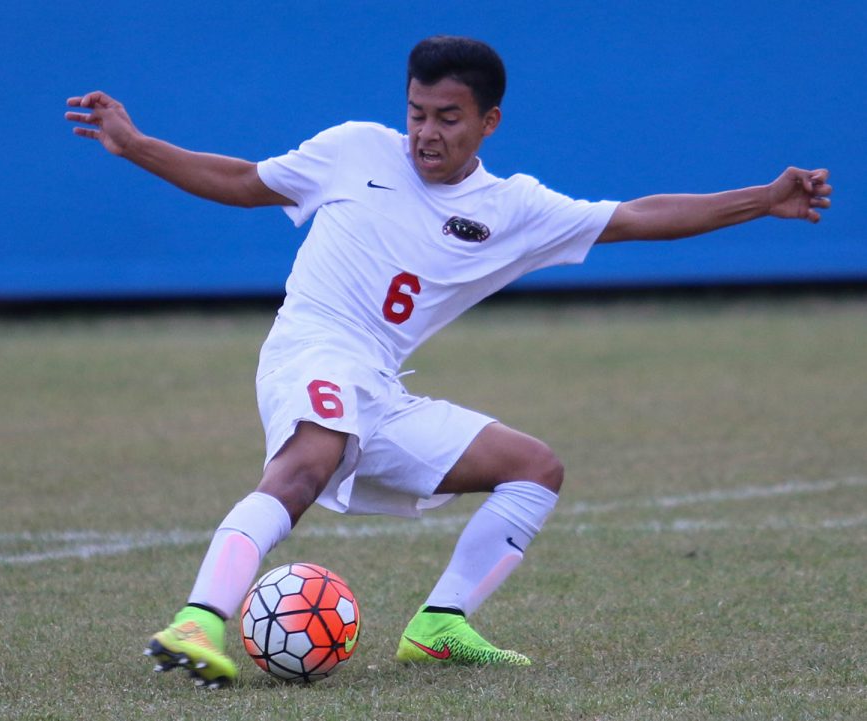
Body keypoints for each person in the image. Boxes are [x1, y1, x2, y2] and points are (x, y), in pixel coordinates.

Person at [65, 35, 832, 688]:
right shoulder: (354, 149)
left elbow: (637, 217)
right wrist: (136, 146)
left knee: (534, 468)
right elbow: (240, 181)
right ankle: (198, 620)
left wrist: (762, 199)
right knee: (308, 459)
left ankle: (441, 621)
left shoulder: (515, 209)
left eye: (448, 118)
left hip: (380, 384)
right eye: (416, 114)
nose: (426, 134)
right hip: (311, 347)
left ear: (488, 122)